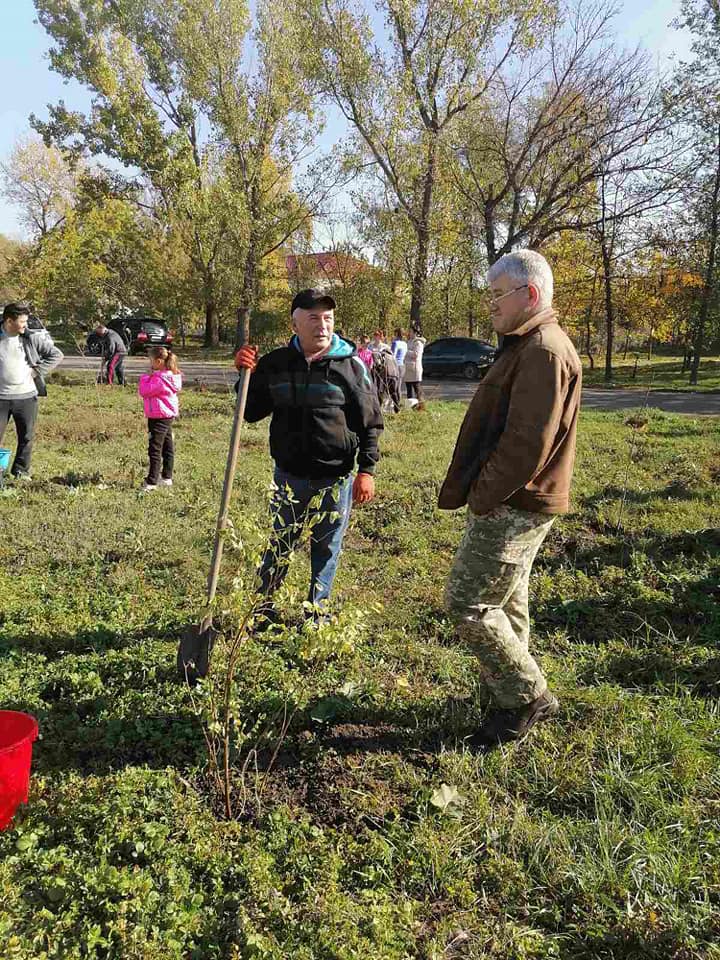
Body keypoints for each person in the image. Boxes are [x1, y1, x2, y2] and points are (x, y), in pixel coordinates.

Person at [438, 250, 582, 747]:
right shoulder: (527, 344)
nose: (492, 306)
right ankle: (504, 695)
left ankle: (525, 697)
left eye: (498, 295)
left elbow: (526, 444)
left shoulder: (542, 350)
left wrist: (484, 495)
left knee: (468, 603)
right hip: (519, 500)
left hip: (514, 503)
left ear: (531, 295)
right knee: (507, 599)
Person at [234, 288, 383, 625]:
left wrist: (367, 470)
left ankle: (316, 613)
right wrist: (244, 375)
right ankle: (264, 609)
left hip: (335, 478)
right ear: (295, 322)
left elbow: (371, 422)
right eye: (313, 317)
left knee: (326, 548)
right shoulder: (276, 363)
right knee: (279, 542)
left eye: (327, 318)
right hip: (288, 476)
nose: (322, 325)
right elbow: (251, 412)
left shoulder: (351, 367)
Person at [0, 302, 63, 479]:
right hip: (1, 398)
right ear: (9, 321)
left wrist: (37, 371)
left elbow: (56, 354)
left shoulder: (31, 338)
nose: (25, 325)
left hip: (26, 397)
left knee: (26, 437)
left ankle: (21, 472)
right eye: (22, 321)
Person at [138, 346, 182, 492]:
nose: (149, 364)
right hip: (167, 415)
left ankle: (151, 481)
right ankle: (166, 477)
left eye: (150, 360)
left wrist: (146, 377)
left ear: (158, 362)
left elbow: (144, 391)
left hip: (158, 415)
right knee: (168, 446)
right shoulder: (170, 377)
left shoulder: (159, 379)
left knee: (155, 448)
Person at [404, 325, 426, 407]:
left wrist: (405, 351)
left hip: (415, 369)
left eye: (410, 331)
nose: (409, 333)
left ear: (415, 332)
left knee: (417, 388)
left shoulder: (418, 343)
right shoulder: (409, 341)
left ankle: (420, 405)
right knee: (408, 389)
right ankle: (410, 406)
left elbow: (416, 354)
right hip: (407, 368)